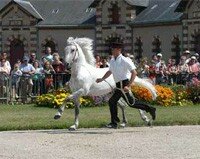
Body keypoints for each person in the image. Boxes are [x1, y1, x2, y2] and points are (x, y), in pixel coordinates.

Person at [96, 42, 156, 128]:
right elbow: (110, 71)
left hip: (124, 84)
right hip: (118, 85)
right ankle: (114, 122)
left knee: (131, 103)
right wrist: (102, 79)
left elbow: (134, 72)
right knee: (113, 101)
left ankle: (150, 108)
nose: (111, 50)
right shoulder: (113, 60)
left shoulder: (124, 60)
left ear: (118, 50)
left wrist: (128, 85)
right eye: (111, 49)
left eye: (113, 49)